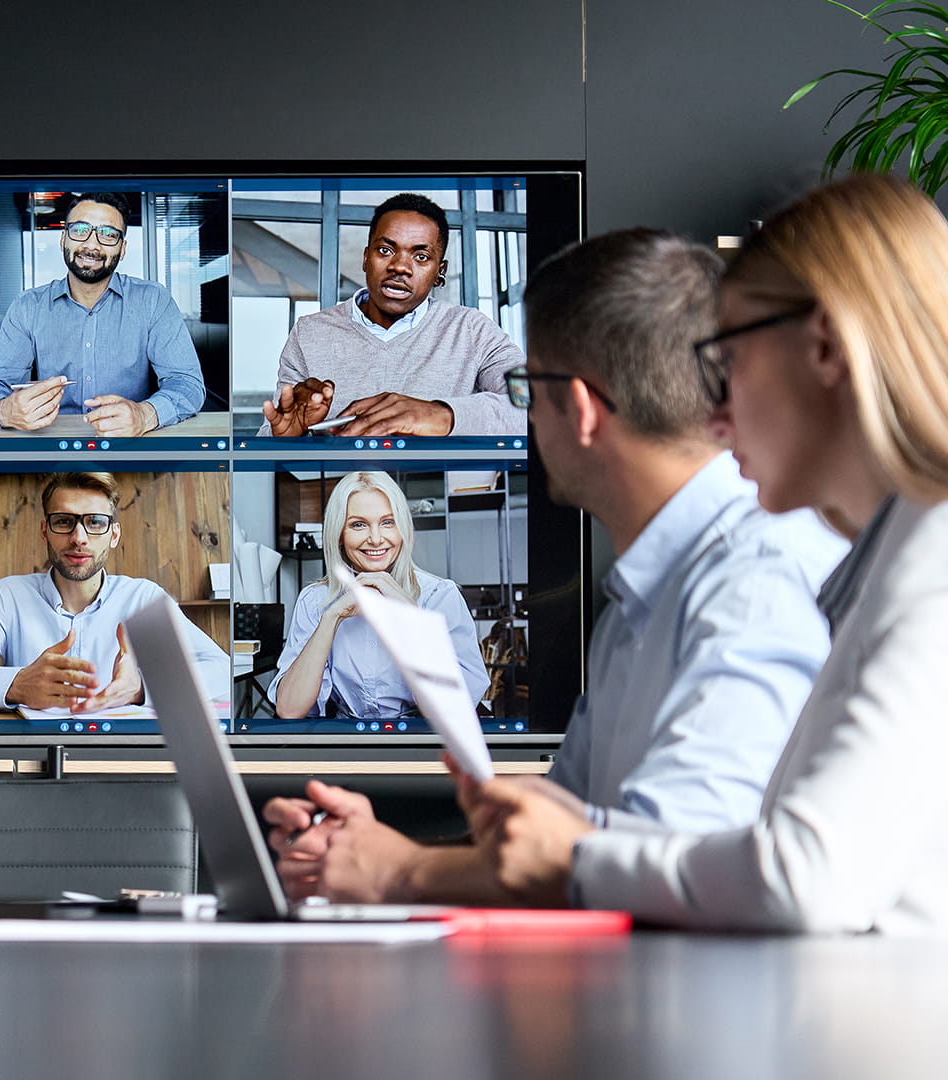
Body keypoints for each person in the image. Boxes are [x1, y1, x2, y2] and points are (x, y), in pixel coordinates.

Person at [419, 175, 948, 934]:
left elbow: (805, 875)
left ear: (826, 347)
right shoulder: (890, 559)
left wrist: (567, 855)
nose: (716, 409)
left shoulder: (926, 562)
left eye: (728, 358)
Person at [263, 229, 846, 904]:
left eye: (527, 388)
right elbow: (571, 837)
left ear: (579, 408)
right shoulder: (644, 594)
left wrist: (398, 873)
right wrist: (366, 850)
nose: (525, 414)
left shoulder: (755, 581)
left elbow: (678, 867)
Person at [0, 472, 229, 711]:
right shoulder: (7, 596)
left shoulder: (144, 598)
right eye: (64, 522)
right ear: (45, 531)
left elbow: (222, 673)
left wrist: (140, 688)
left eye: (95, 523)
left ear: (113, 535)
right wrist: (17, 684)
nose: (79, 538)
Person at [259, 193, 524, 438]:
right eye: (385, 250)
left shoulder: (473, 331)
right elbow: (272, 438)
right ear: (366, 258)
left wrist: (441, 414)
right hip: (341, 490)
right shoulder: (310, 333)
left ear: (439, 272)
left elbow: (538, 406)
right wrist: (287, 437)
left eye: (421, 256)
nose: (399, 267)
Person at [0, 193, 206, 437]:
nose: (92, 245)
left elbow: (187, 384)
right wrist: (4, 409)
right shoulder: (28, 306)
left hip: (130, 449)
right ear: (63, 238)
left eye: (108, 234)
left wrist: (145, 415)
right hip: (52, 452)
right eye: (80, 230)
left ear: (122, 248)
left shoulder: (154, 300)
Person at [271, 471, 490, 721]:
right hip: (348, 744)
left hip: (425, 742)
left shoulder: (441, 596)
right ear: (339, 535)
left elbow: (449, 712)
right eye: (358, 525)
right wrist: (332, 617)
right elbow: (289, 710)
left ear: (403, 529)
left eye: (388, 522)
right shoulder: (314, 601)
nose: (376, 539)